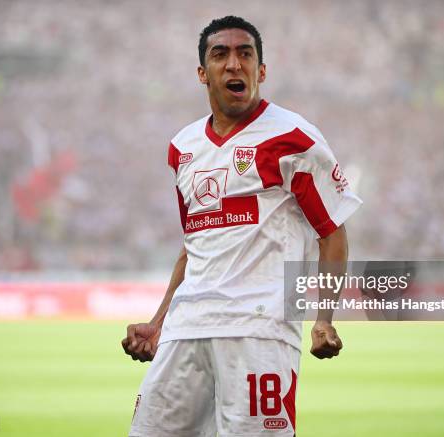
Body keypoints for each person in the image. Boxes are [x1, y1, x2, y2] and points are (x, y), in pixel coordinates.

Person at [122, 15, 362, 437]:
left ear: (261, 71)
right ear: (203, 73)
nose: (234, 64)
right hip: (187, 327)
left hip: (258, 329)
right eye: (221, 54)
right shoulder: (183, 148)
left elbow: (332, 231)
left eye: (245, 54)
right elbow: (193, 244)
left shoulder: (293, 137)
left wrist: (324, 316)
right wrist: (160, 320)